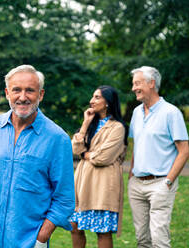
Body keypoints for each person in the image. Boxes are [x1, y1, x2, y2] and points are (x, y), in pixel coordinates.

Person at [0, 64, 75, 248]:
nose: (23, 97)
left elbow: (64, 199)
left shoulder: (57, 138)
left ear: (41, 94)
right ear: (7, 93)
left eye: (30, 90)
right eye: (17, 90)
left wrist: (41, 238)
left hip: (30, 242)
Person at [128, 66, 189, 247]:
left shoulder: (171, 113)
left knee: (159, 240)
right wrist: (132, 175)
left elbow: (184, 151)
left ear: (151, 83)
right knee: (142, 239)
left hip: (161, 183)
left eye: (137, 83)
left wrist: (168, 182)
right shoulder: (136, 113)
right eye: (133, 84)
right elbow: (137, 146)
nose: (133, 88)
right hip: (137, 184)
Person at [70, 85, 128, 248]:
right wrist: (85, 123)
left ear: (108, 102)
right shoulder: (91, 123)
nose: (91, 101)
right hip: (82, 183)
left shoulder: (117, 127)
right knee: (74, 227)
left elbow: (104, 157)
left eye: (97, 97)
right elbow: (75, 148)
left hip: (102, 185)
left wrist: (85, 154)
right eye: (92, 96)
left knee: (102, 231)